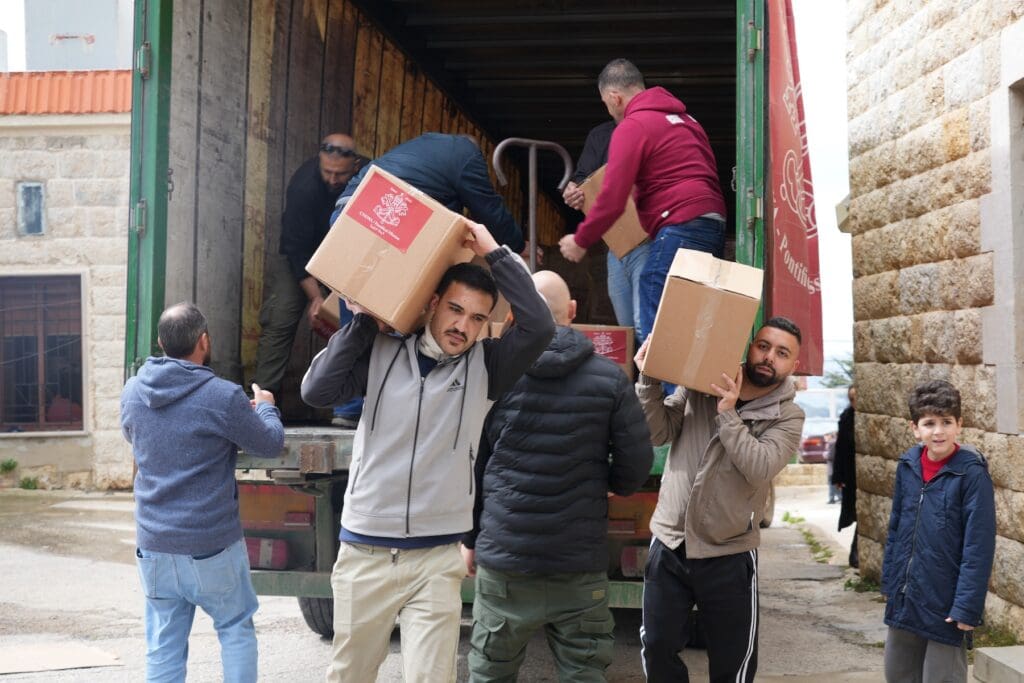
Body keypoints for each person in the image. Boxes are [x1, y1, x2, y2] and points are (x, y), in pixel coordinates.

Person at [300, 221, 554, 682]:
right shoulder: (380, 351)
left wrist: (493, 250)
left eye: (478, 318)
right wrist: (361, 322)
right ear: (433, 303)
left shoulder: (487, 366)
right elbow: (317, 391)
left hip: (437, 559)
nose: (463, 326)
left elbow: (539, 325)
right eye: (456, 310)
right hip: (365, 553)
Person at [463, 270, 654, 682]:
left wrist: (469, 539)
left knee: (490, 674)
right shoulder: (610, 380)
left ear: (516, 313)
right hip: (578, 565)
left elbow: (473, 465)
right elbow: (635, 469)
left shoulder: (496, 375)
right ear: (572, 311)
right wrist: (607, 480)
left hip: (505, 563)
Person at [120, 302, 286, 682]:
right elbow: (269, 444)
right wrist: (264, 408)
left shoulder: (132, 392)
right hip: (211, 546)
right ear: (204, 342)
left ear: (161, 342)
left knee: (163, 646)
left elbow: (136, 435)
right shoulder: (222, 397)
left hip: (155, 546)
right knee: (235, 628)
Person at [634, 317, 806, 682]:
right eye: (763, 346)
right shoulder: (704, 382)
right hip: (671, 539)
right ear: (749, 346)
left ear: (794, 364)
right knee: (658, 646)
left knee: (732, 662)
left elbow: (759, 466)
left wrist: (728, 414)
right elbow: (658, 431)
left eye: (781, 353)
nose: (768, 357)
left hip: (728, 549)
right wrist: (648, 379)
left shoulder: (789, 415)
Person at [558, 58, 727, 342]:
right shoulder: (687, 121)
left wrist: (581, 240)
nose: (609, 109)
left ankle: (659, 385)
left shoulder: (633, 125)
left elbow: (614, 197)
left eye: (606, 103)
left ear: (615, 97)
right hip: (712, 222)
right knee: (691, 314)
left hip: (680, 222)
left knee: (652, 291)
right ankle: (680, 383)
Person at [881, 380, 995, 683]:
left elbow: (978, 547)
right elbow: (896, 530)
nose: (938, 431)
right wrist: (891, 585)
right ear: (915, 428)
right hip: (906, 598)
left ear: (959, 425)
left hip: (946, 605)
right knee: (898, 675)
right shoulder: (908, 466)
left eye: (946, 422)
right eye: (929, 423)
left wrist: (967, 608)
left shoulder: (971, 474)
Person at [253, 133, 362, 418]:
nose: (333, 179)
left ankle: (351, 405)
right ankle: (263, 401)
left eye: (340, 174)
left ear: (355, 166)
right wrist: (315, 298)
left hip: (347, 257)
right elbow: (296, 249)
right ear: (319, 161)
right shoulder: (304, 185)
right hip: (303, 258)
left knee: (357, 323)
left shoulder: (368, 177)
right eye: (327, 172)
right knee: (280, 317)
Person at [332, 132, 526, 256]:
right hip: (384, 220)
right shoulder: (467, 155)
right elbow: (489, 210)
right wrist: (518, 246)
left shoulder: (425, 144)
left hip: (346, 209)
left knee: (353, 298)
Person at [562, 121, 651, 339]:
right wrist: (573, 190)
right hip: (616, 244)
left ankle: (650, 374)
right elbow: (582, 180)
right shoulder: (602, 134)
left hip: (651, 238)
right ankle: (636, 372)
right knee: (627, 327)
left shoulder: (655, 127)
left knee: (644, 325)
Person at [832, 385, 858, 567]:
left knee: (861, 515)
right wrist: (838, 477)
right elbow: (840, 448)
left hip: (859, 473)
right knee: (855, 512)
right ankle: (855, 555)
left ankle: (855, 554)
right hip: (850, 475)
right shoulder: (847, 418)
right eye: (851, 399)